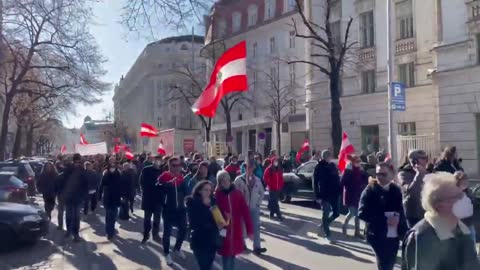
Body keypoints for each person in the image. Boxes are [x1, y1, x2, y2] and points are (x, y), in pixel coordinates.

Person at [402, 172, 480, 270]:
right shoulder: (422, 236)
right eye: (456, 197)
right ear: (439, 205)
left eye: (462, 194)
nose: (464, 199)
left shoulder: (462, 229)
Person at [358, 162, 408, 270]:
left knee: (391, 261)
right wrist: (384, 219)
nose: (380, 177)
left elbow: (401, 211)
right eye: (378, 174)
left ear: (392, 174)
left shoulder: (396, 190)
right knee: (384, 264)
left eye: (383, 174)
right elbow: (362, 213)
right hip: (377, 234)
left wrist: (402, 228)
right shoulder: (370, 190)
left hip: (394, 235)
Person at [215, 170, 253, 270]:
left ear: (229, 179)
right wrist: (223, 216)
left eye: (226, 179)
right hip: (223, 231)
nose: (225, 182)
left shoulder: (237, 193)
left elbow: (246, 213)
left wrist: (250, 231)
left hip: (236, 231)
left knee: (232, 256)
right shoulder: (217, 195)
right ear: (219, 183)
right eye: (221, 180)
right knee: (226, 257)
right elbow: (213, 212)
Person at [158, 157, 188, 265]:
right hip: (168, 209)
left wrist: (188, 199)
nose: (176, 168)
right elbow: (157, 187)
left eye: (178, 165)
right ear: (169, 165)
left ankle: (177, 248)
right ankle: (166, 253)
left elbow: (186, 191)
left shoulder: (181, 177)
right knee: (167, 232)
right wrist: (168, 184)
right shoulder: (164, 176)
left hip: (181, 209)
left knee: (184, 229)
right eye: (174, 165)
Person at [234, 159, 266, 255]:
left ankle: (257, 247)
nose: (250, 169)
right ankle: (242, 244)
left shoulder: (257, 180)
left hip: (254, 208)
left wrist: (258, 203)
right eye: (248, 167)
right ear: (245, 168)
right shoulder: (239, 180)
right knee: (242, 227)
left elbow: (262, 192)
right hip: (242, 208)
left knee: (256, 227)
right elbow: (234, 194)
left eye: (252, 167)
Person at [186, 180, 219, 270]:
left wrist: (222, 222)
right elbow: (193, 222)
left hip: (212, 240)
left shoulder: (213, 201)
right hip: (199, 239)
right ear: (199, 190)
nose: (208, 192)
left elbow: (218, 219)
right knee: (204, 266)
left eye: (210, 190)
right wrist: (206, 207)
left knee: (209, 265)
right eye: (205, 190)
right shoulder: (192, 202)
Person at [58, 153, 88, 242]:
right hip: (69, 196)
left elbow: (85, 184)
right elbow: (62, 180)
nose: (78, 163)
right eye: (76, 161)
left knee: (76, 216)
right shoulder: (68, 169)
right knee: (69, 215)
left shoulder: (82, 170)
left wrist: (84, 196)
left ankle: (76, 233)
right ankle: (68, 230)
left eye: (79, 161)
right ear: (74, 161)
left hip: (78, 197)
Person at [313, 150, 340, 242]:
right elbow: (315, 183)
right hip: (324, 194)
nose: (331, 158)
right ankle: (327, 233)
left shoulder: (332, 166)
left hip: (334, 193)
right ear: (326, 157)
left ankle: (325, 224)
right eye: (329, 156)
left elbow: (337, 178)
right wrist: (317, 196)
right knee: (326, 212)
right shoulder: (319, 167)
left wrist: (339, 189)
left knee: (336, 213)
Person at [340, 155, 368, 237]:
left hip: (358, 194)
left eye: (360, 162)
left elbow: (365, 178)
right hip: (350, 194)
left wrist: (364, 173)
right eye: (358, 162)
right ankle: (345, 227)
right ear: (353, 162)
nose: (359, 164)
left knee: (355, 214)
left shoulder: (359, 169)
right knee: (353, 213)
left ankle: (356, 232)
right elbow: (343, 182)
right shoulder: (348, 170)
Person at [400, 149, 428, 228]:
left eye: (426, 158)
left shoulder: (428, 172)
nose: (426, 161)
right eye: (423, 159)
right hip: (413, 213)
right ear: (415, 161)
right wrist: (418, 175)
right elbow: (410, 190)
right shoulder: (404, 174)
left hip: (426, 211)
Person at [139, 155, 164, 243]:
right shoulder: (146, 169)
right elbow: (141, 182)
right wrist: (146, 189)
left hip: (158, 199)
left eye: (160, 160)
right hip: (148, 198)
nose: (158, 162)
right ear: (154, 161)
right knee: (147, 218)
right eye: (157, 160)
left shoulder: (162, 171)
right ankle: (146, 234)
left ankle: (155, 234)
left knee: (157, 218)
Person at [98, 157, 123, 240]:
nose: (112, 162)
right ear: (109, 162)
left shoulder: (118, 172)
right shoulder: (105, 172)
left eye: (113, 161)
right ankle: (109, 232)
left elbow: (121, 184)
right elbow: (101, 185)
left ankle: (111, 229)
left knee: (114, 215)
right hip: (108, 197)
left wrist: (122, 195)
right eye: (111, 161)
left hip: (116, 197)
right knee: (108, 216)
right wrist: (99, 195)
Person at [454, 171, 477, 249]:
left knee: (471, 246)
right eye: (463, 181)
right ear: (457, 181)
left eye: (466, 181)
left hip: (469, 223)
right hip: (457, 225)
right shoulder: (452, 194)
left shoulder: (468, 193)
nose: (466, 183)